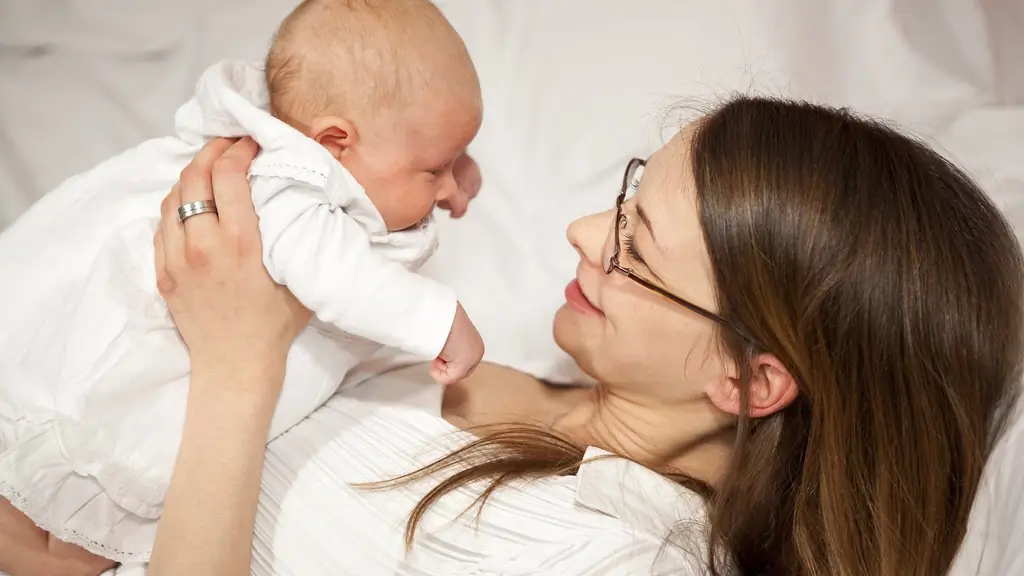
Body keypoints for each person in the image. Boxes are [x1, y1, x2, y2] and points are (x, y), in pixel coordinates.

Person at [6, 95, 1023, 576]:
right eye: (626, 193)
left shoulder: (611, 562)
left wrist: (236, 370)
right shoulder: (534, 393)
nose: (584, 235)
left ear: (749, 383)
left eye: (636, 248)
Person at [0, 0, 487, 566]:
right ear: (334, 144)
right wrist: (438, 320)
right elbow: (336, 274)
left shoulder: (320, 155)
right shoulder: (287, 186)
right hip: (131, 352)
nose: (450, 186)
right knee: (81, 476)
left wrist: (442, 166)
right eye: (435, 169)